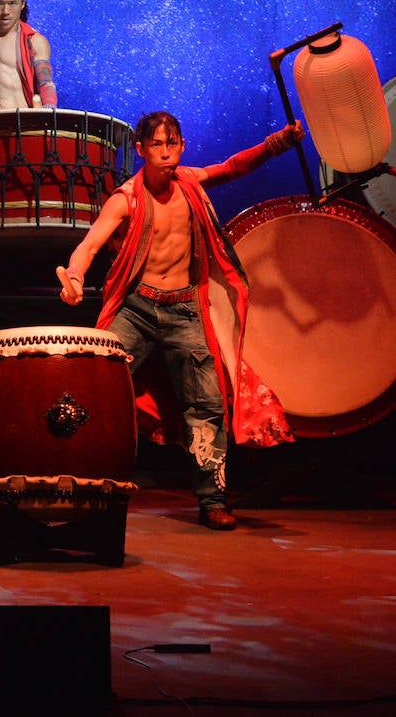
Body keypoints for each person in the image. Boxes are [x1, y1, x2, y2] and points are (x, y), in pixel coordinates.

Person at [58, 111, 304, 529]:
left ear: (182, 145)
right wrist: (75, 276)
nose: (166, 152)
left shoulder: (190, 184)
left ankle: (213, 502)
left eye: (172, 143)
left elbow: (231, 167)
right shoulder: (127, 198)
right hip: (136, 310)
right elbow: (91, 242)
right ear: (140, 150)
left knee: (206, 406)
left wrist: (277, 142)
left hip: (185, 310)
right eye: (157, 145)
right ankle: (76, 486)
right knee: (94, 387)